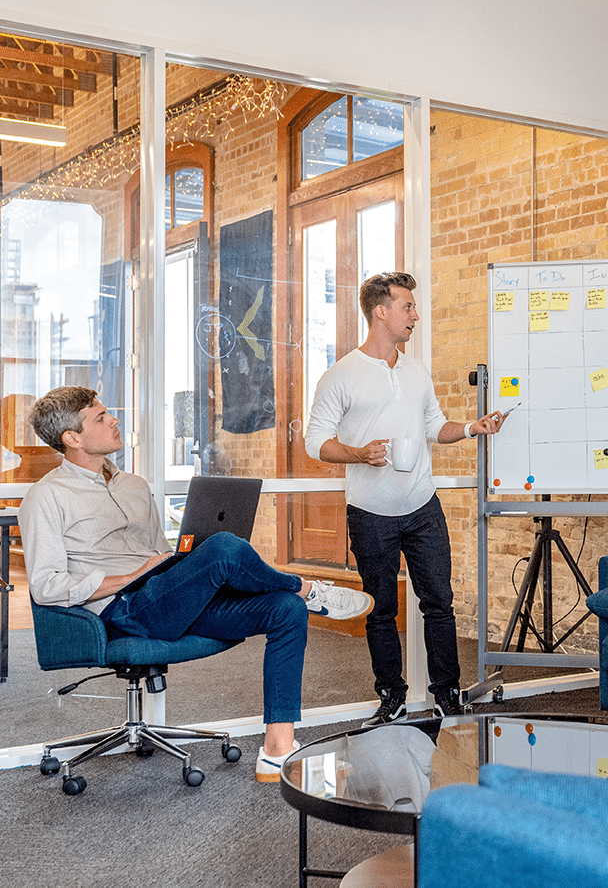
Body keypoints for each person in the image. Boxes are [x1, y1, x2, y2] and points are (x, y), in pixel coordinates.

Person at [19, 386, 373, 783]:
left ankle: (277, 748)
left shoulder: (133, 485)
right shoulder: (46, 497)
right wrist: (130, 576)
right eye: (100, 418)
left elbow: (157, 552)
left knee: (283, 610)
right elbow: (46, 586)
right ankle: (305, 589)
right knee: (224, 549)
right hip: (124, 610)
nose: (114, 420)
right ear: (72, 438)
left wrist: (179, 563)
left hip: (165, 596)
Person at [304, 271, 508, 726]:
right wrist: (359, 453)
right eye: (407, 306)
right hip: (371, 512)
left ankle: (446, 694)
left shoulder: (416, 371)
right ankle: (391, 696)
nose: (415, 315)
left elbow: (435, 426)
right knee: (381, 607)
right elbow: (315, 441)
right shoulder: (341, 374)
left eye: (413, 307)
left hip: (422, 506)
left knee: (439, 602)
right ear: (381, 311)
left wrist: (472, 428)